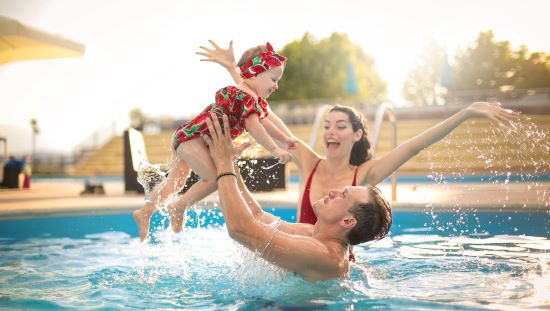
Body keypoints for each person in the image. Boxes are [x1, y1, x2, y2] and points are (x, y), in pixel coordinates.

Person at [196, 40, 521, 227]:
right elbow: (260, 108)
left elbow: (414, 146)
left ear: (356, 135)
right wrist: (233, 71)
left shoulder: (364, 175)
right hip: (295, 258)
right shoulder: (309, 163)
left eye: (339, 126)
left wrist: (464, 114)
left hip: (330, 268)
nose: (330, 132)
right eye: (326, 126)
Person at [133, 42, 297, 241]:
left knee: (176, 182)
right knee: (215, 178)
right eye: (273, 79)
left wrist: (285, 139)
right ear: (255, 73)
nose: (276, 85)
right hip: (195, 139)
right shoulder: (244, 96)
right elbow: (255, 127)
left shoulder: (250, 98)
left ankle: (145, 212)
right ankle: (179, 206)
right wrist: (274, 148)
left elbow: (264, 122)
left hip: (188, 137)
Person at [204, 114, 392, 281]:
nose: (333, 192)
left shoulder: (323, 256)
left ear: (348, 220)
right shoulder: (311, 233)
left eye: (343, 195)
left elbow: (241, 230)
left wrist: (223, 164)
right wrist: (231, 164)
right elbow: (258, 217)